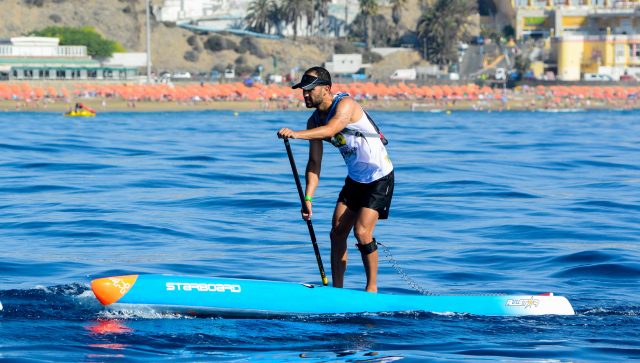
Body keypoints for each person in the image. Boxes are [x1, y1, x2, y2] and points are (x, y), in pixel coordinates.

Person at [277, 66, 394, 292]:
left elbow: (332, 129)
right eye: (303, 90)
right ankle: (337, 291)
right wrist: (308, 197)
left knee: (362, 232)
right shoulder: (314, 122)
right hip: (355, 180)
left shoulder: (346, 105)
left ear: (327, 89)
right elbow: (314, 163)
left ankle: (372, 290)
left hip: (380, 177)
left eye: (310, 90)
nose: (305, 95)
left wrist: (296, 134)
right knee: (337, 233)